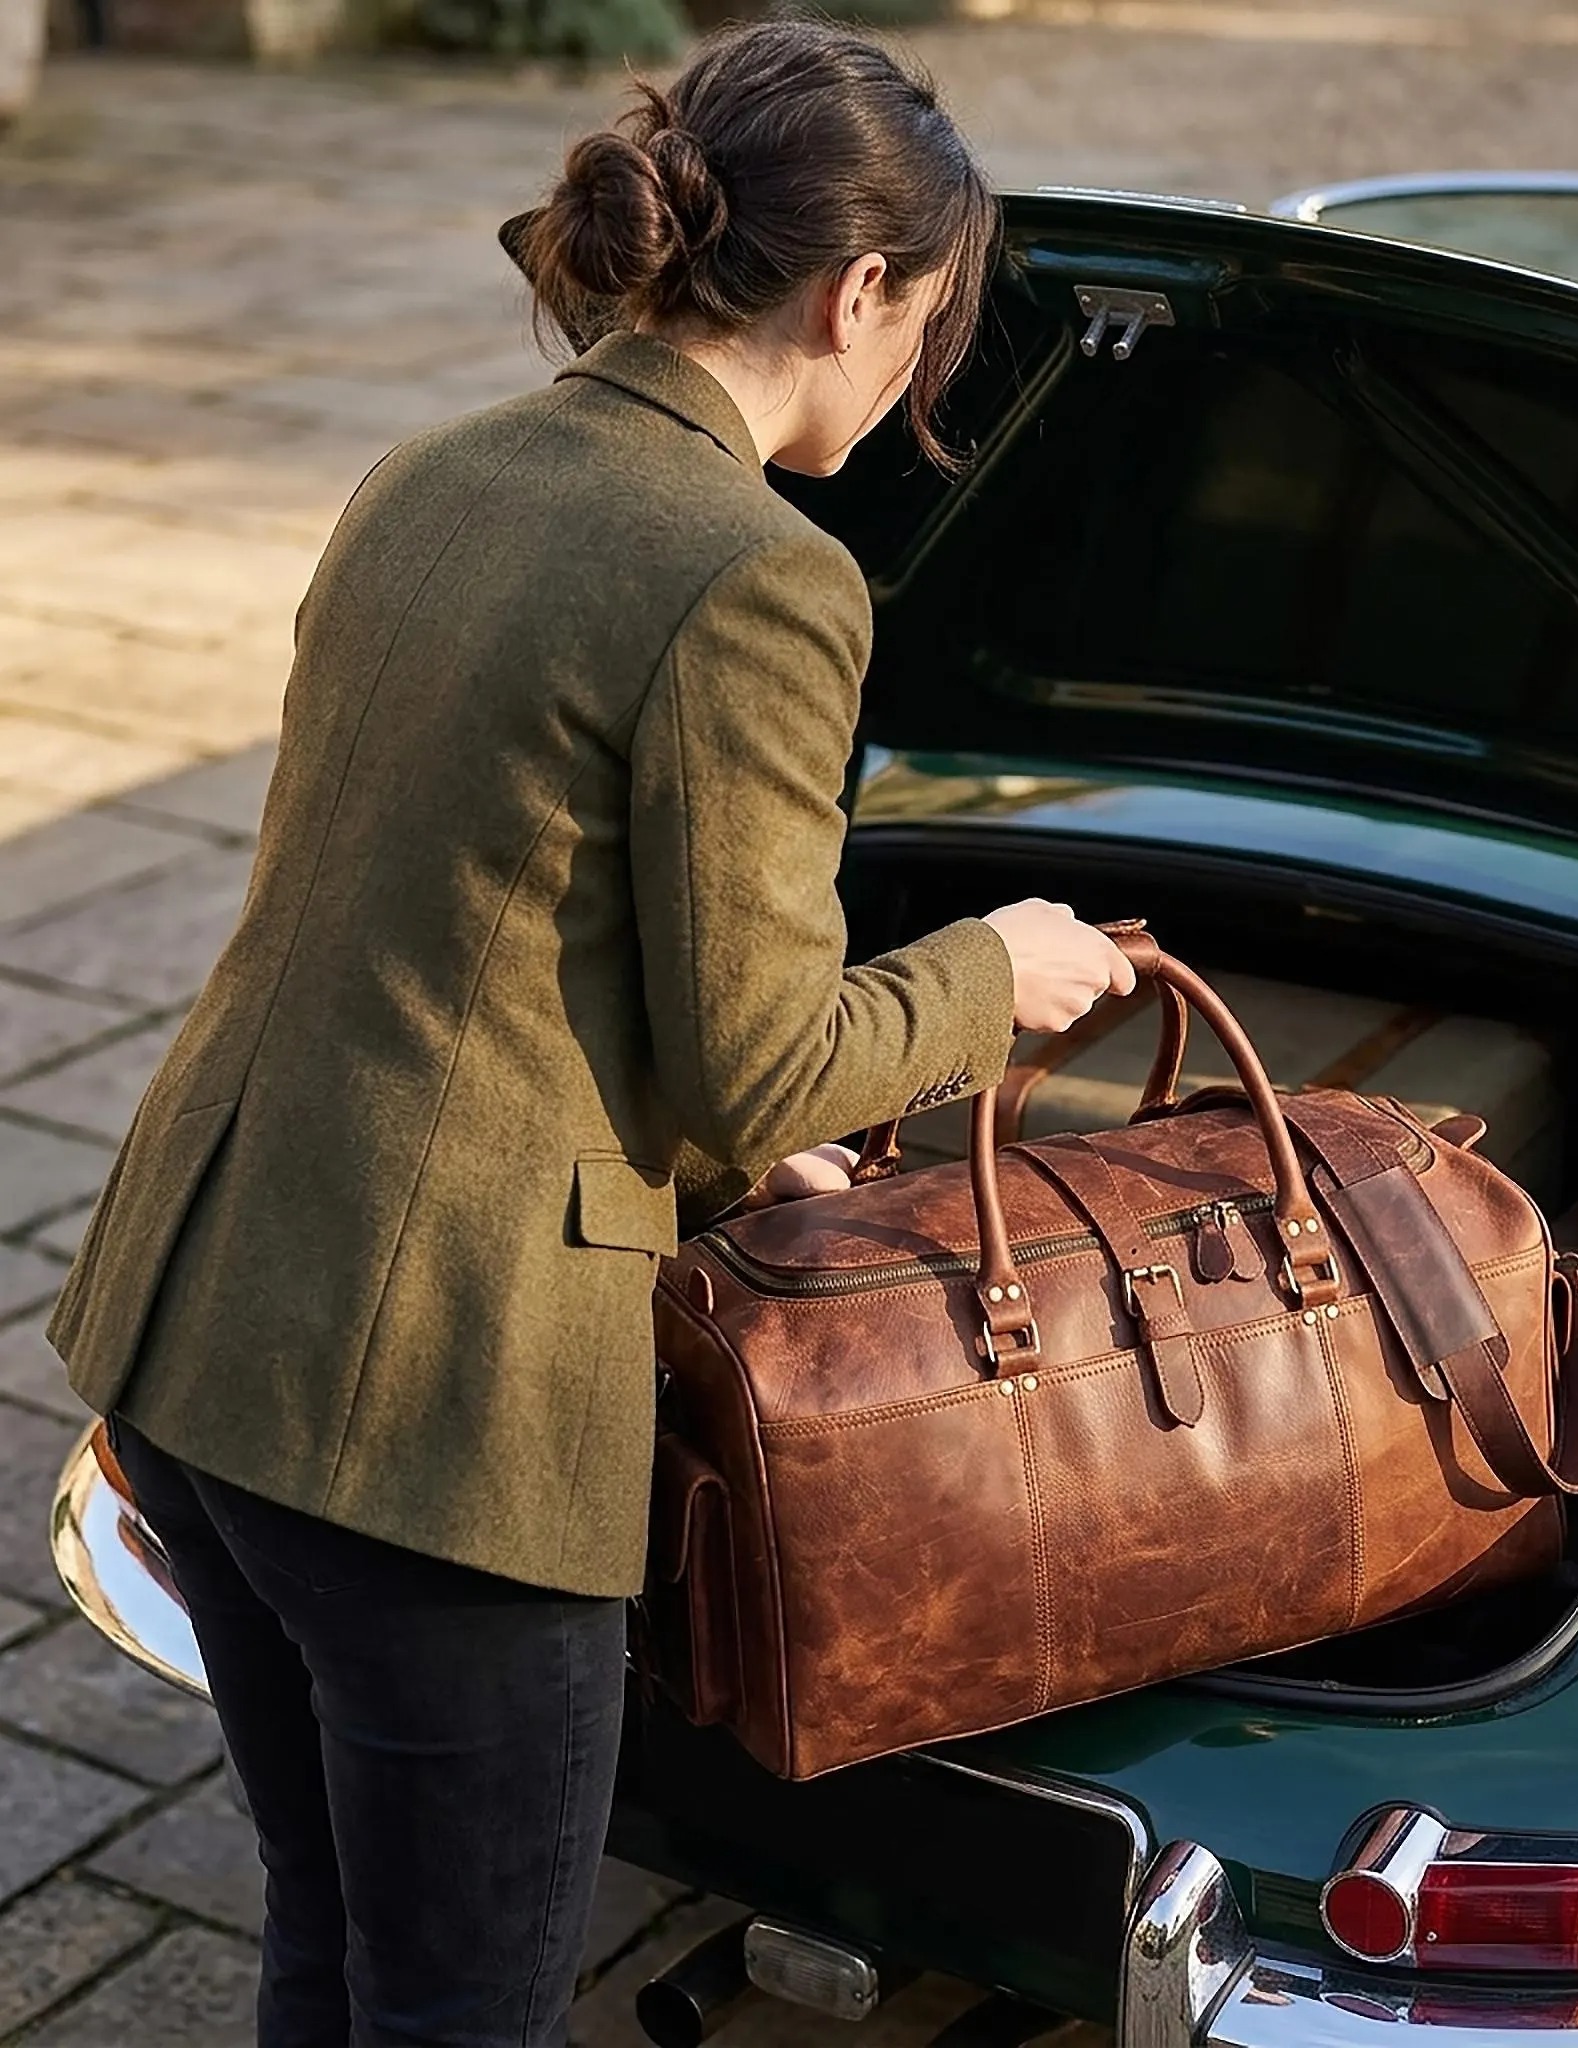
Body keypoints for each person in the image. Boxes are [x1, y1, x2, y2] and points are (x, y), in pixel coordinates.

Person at [45, 24, 1135, 2046]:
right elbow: (762, 1060)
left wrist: (712, 1149)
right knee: (460, 2004)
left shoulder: (437, 467)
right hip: (427, 1432)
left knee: (328, 1940)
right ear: (859, 293)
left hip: (201, 1332)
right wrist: (1001, 970)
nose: (921, 373)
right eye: (934, 322)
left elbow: (476, 920)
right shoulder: (757, 578)